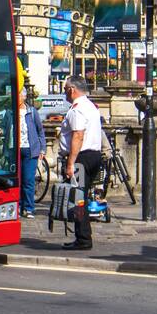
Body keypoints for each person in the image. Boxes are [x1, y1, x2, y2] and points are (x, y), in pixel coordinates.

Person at [59, 75, 103, 251]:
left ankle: (83, 239)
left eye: (65, 89)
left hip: (81, 158)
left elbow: (78, 135)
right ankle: (82, 236)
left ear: (72, 89)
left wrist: (71, 163)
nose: (64, 93)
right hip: (94, 155)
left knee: (78, 200)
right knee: (81, 198)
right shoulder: (91, 106)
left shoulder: (77, 109)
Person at [20, 90, 45, 218]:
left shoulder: (31, 112)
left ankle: (29, 208)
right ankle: (19, 206)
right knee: (16, 180)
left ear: (24, 97)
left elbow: (40, 130)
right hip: (15, 149)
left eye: (20, 94)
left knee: (28, 180)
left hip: (30, 150)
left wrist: (42, 149)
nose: (18, 96)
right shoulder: (10, 111)